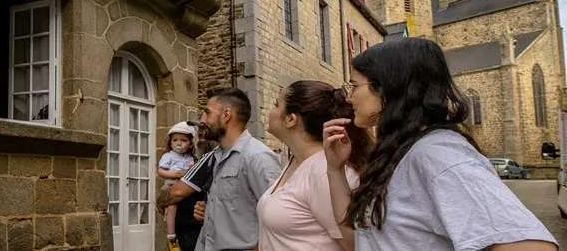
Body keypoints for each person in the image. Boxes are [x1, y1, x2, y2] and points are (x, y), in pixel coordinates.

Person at [323, 38, 558, 251]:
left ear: (387, 87)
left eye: (354, 85)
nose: (349, 97)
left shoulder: (437, 154)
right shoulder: (404, 151)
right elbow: (360, 241)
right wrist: (335, 169)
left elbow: (531, 246)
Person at [258, 80, 373, 251]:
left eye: (276, 104)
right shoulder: (297, 161)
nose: (270, 110)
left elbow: (355, 243)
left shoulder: (322, 171)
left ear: (291, 119)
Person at [192, 87, 282, 251]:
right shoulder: (218, 155)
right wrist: (211, 212)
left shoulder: (258, 157)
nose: (202, 120)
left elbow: (279, 221)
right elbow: (239, 208)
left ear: (226, 115)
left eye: (208, 113)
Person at [156, 116, 218, 251]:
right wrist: (164, 200)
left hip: (198, 229)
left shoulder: (214, 158)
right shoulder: (195, 158)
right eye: (199, 128)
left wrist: (166, 199)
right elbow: (169, 193)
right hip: (183, 229)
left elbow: (178, 192)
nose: (201, 132)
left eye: (205, 127)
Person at [159, 122, 197, 251]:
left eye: (183, 140)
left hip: (185, 186)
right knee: (172, 205)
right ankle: (171, 236)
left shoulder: (190, 158)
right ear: (170, 142)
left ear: (190, 144)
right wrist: (175, 174)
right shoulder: (168, 156)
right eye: (175, 140)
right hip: (171, 184)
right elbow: (161, 171)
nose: (179, 143)